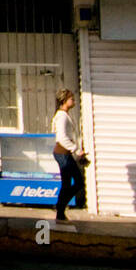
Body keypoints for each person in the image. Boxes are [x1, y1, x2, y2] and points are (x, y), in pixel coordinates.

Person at [51, 88, 86, 223]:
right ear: (65, 101)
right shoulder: (62, 117)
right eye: (72, 99)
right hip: (62, 153)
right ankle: (60, 207)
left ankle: (60, 212)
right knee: (77, 182)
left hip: (64, 153)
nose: (74, 101)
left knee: (67, 184)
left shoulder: (64, 115)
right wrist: (76, 150)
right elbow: (62, 137)